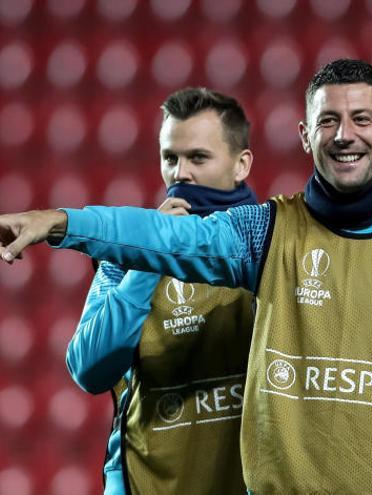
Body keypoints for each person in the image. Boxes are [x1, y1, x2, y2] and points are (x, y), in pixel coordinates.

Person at [0, 59, 372, 494]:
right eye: (329, 120)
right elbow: (166, 250)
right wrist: (60, 222)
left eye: (362, 119)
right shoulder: (260, 236)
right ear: (306, 136)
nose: (345, 135)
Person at [66, 88, 259, 494]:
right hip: (144, 481)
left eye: (198, 158)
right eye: (170, 157)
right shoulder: (126, 254)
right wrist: (149, 262)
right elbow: (88, 368)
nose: (180, 173)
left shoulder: (270, 246)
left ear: (241, 164)